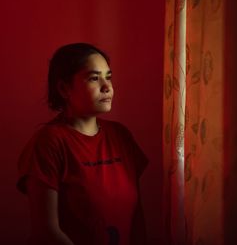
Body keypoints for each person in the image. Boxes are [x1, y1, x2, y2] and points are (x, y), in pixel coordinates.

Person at [17, 43, 148, 245]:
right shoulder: (50, 142)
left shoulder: (121, 135)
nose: (107, 86)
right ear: (64, 88)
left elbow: (137, 217)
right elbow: (46, 232)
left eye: (109, 76)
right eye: (94, 78)